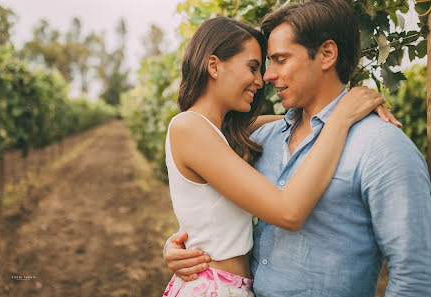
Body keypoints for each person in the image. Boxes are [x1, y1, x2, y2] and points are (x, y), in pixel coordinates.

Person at [164, 1, 431, 296]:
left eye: (279, 60)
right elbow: (209, 203)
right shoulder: (263, 140)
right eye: (259, 65)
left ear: (327, 54)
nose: (265, 77)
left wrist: (343, 113)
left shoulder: (382, 146)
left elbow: (416, 276)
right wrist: (182, 245)